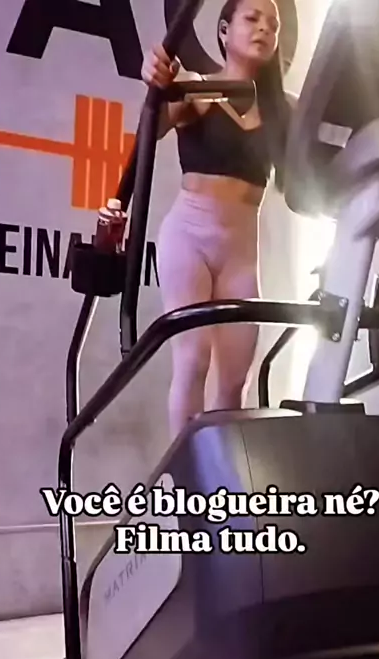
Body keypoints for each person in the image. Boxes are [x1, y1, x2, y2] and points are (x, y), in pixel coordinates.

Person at [141, 0, 291, 440]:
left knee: (234, 377)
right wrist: (158, 83)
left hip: (240, 250)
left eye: (273, 25)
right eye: (252, 19)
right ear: (224, 31)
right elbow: (153, 126)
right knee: (193, 360)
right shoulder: (197, 89)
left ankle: (219, 474)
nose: (264, 29)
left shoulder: (284, 110)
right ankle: (182, 475)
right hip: (189, 237)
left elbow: (317, 166)